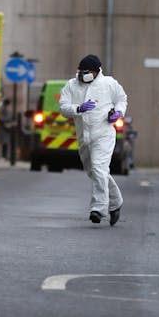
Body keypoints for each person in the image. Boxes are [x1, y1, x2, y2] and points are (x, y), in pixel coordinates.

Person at [59, 54, 128, 226]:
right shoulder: (72, 85)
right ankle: (116, 202)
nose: (83, 74)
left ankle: (98, 209)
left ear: (96, 71)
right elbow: (63, 107)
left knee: (98, 167)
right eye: (81, 71)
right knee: (94, 171)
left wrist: (118, 113)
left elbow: (121, 100)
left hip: (104, 134)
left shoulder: (109, 84)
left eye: (87, 72)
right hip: (84, 137)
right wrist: (78, 108)